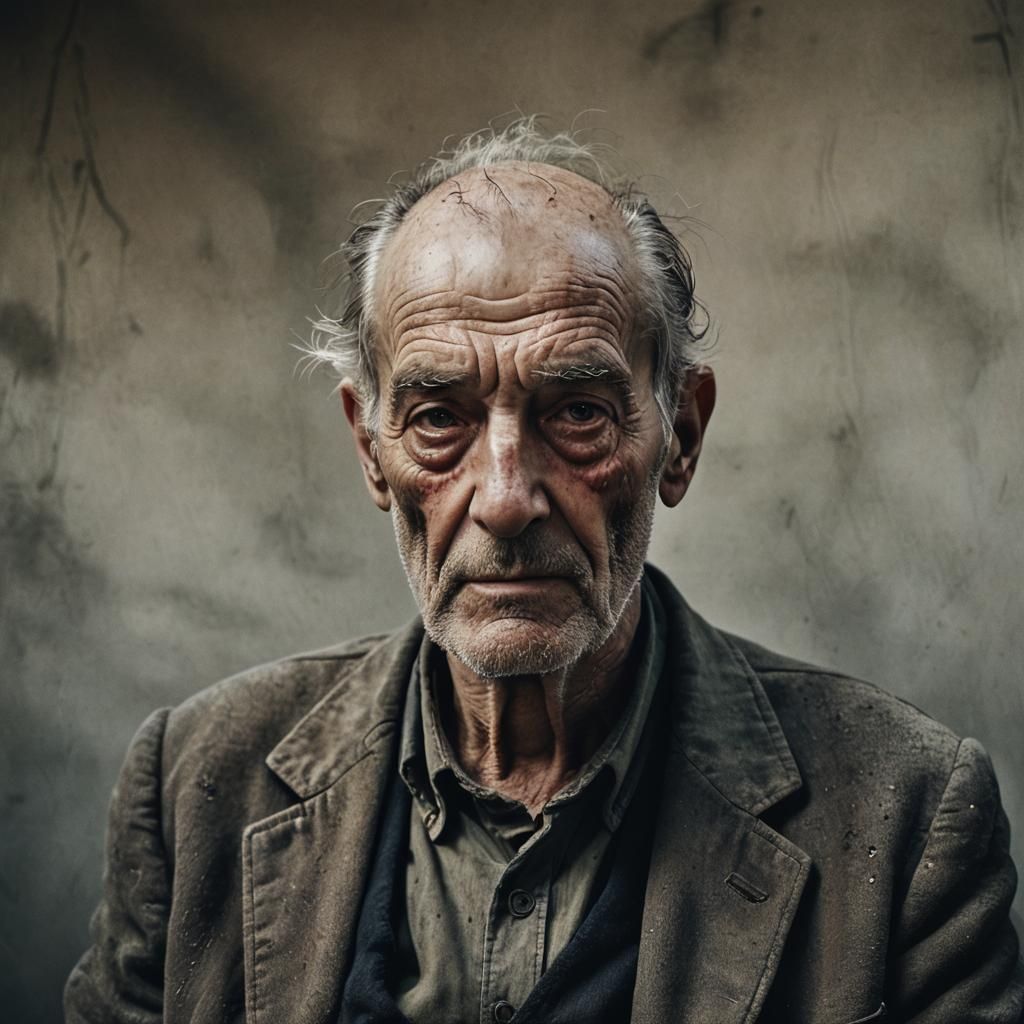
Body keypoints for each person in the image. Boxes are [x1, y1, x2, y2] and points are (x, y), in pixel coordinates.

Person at [65, 119, 1024, 1024]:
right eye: (440, 418)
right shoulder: (196, 787)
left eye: (577, 413)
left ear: (680, 436)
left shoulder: (905, 811)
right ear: (370, 449)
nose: (506, 498)